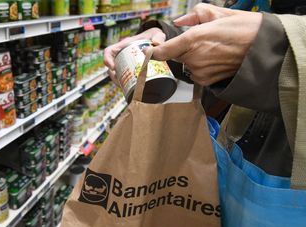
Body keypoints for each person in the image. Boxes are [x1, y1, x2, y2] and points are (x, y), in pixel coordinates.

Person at [104, 2, 302, 178]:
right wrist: (162, 38)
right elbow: (226, 35)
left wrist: (267, 50)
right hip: (222, 158)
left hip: (282, 179)